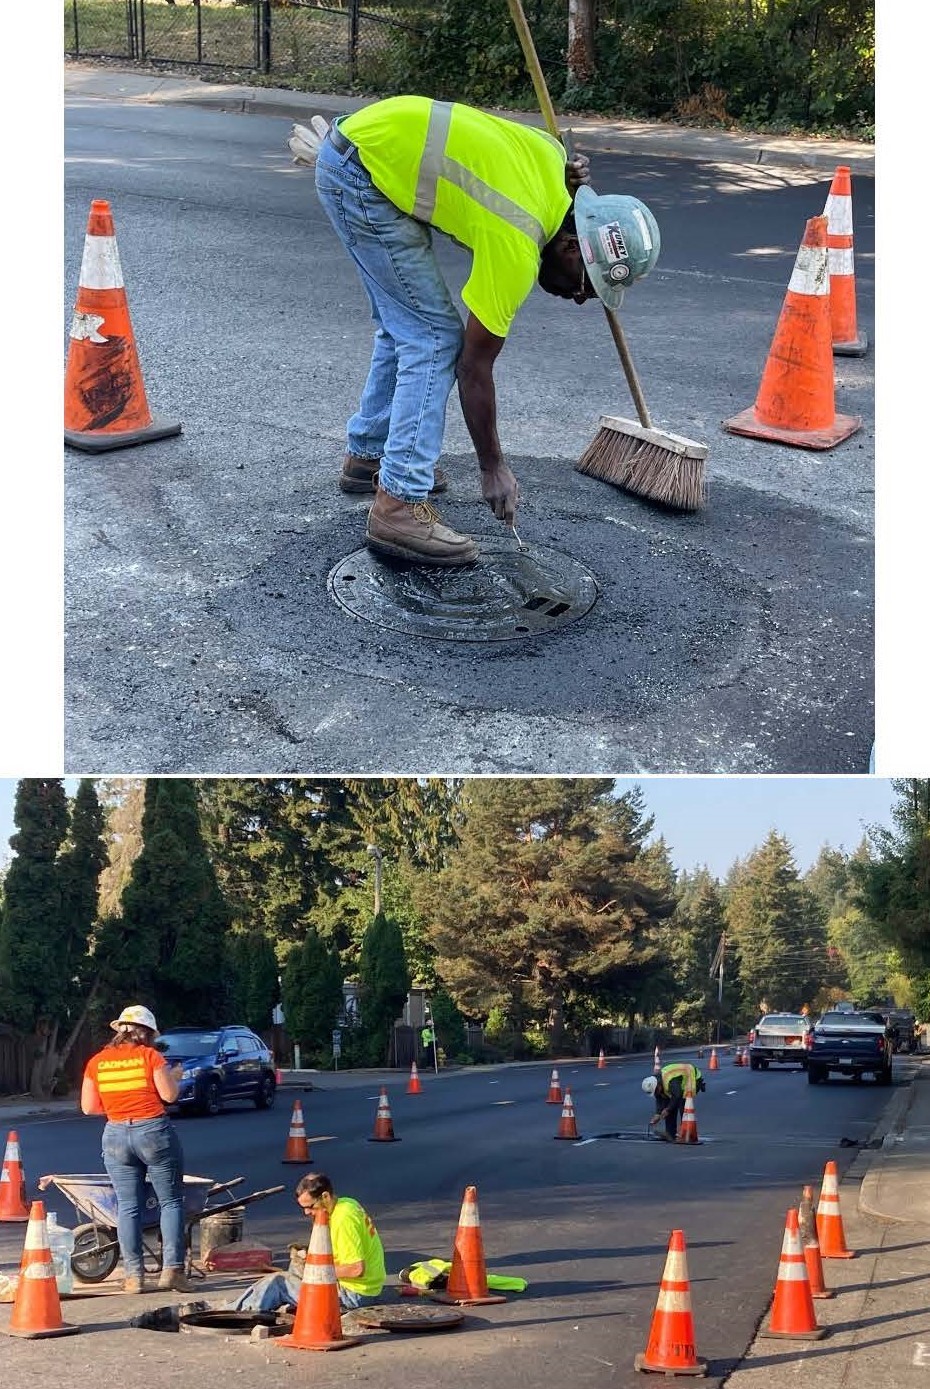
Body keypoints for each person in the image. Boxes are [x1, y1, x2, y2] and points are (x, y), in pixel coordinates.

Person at [313, 94, 660, 565]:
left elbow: (550, 151)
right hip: (363, 176)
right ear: (574, 246)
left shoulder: (553, 162)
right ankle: (399, 503)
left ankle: (369, 456)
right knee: (434, 338)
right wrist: (492, 467)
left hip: (366, 148)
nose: (580, 299)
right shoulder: (517, 242)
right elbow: (473, 367)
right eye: (587, 286)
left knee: (407, 326)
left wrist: (571, 169)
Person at [81, 1004, 189, 1294]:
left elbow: (89, 1107)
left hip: (115, 1133)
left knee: (128, 1207)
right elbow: (169, 1095)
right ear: (146, 1033)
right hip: (152, 1130)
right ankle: (172, 1272)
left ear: (121, 1030)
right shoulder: (150, 1056)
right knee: (171, 1202)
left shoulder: (97, 1062)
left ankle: (133, 1277)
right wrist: (175, 1077)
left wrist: (120, 1104)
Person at [227, 1172, 386, 1313]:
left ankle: (235, 1312)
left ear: (325, 1196)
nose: (306, 1212)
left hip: (353, 1296)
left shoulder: (342, 1221)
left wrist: (315, 1272)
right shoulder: (346, 1203)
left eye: (310, 1206)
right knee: (297, 1264)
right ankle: (276, 1301)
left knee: (278, 1283)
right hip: (369, 1288)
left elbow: (356, 1269)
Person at [642, 1062, 706, 1142]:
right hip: (679, 1082)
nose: (656, 1093)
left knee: (683, 1103)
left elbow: (677, 1096)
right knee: (669, 1104)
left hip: (692, 1077)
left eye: (655, 1091)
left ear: (658, 1085)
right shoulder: (658, 1083)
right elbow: (660, 1097)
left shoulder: (670, 1080)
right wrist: (658, 1113)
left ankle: (687, 1133)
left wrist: (668, 1109)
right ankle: (670, 1133)